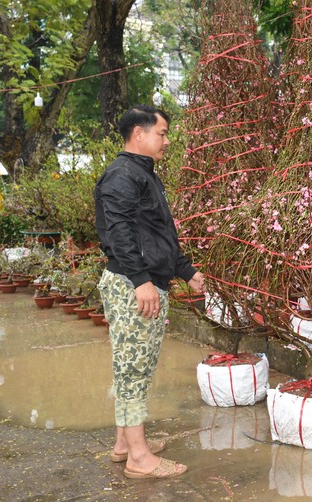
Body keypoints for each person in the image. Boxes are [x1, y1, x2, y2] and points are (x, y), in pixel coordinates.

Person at [94, 104, 205, 479]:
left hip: (140, 281)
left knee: (132, 367)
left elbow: (158, 233)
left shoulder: (142, 174)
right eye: (162, 133)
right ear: (138, 134)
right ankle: (139, 459)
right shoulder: (123, 175)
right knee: (133, 370)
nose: (167, 140)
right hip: (132, 286)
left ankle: (125, 443)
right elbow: (119, 233)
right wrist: (141, 280)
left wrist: (185, 271)